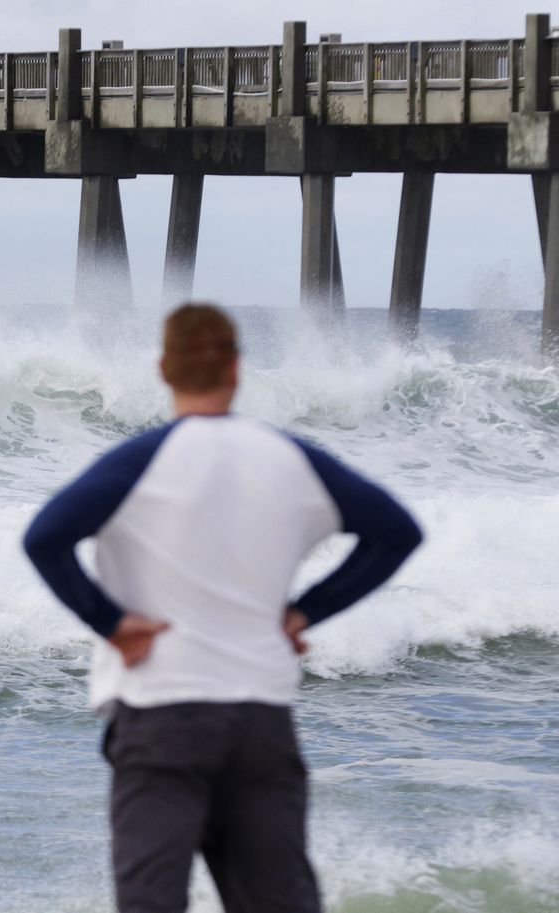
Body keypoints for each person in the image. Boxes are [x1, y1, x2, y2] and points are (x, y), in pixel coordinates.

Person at [22, 304, 422, 913]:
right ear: (236, 367)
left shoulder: (138, 461)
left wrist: (112, 624)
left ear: (163, 368)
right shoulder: (292, 458)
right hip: (260, 721)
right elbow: (397, 533)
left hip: (162, 715)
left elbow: (45, 538)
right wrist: (306, 611)